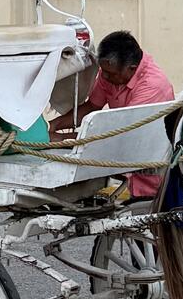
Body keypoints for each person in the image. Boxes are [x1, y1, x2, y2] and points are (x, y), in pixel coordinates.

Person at [57, 30, 175, 200]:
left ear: (131, 69)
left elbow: (120, 134)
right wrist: (52, 126)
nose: (103, 77)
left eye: (110, 74)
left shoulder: (153, 86)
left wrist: (62, 140)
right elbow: (91, 106)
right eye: (103, 71)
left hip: (150, 176)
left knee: (146, 216)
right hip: (123, 161)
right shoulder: (111, 72)